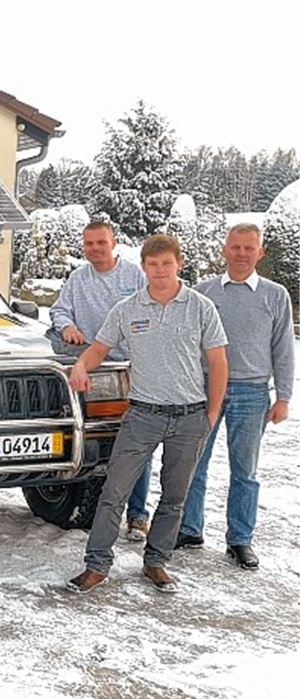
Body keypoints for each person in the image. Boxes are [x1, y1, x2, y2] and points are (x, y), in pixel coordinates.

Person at [66, 234, 228, 594]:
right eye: (152, 265)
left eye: (166, 264)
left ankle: (156, 563)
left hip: (189, 418)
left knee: (174, 497)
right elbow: (98, 348)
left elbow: (218, 363)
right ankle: (96, 566)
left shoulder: (201, 307)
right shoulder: (128, 308)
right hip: (142, 415)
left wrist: (211, 413)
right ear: (143, 267)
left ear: (179, 264)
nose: (159, 270)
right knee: (113, 492)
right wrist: (81, 366)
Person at [177, 224, 294, 569]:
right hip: (205, 389)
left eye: (249, 248)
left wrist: (284, 397)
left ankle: (240, 539)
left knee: (245, 471)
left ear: (260, 253)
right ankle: (189, 528)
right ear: (224, 250)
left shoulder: (275, 296)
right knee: (194, 464)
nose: (242, 253)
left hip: (252, 393)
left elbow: (284, 349)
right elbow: (186, 343)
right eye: (236, 247)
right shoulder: (203, 293)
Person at [49, 221, 153, 542]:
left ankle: (137, 514)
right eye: (89, 243)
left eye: (100, 243)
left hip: (131, 371)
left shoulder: (134, 276)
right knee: (97, 443)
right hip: (91, 374)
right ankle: (98, 508)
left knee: (139, 445)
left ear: (114, 243)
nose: (95, 249)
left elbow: (149, 312)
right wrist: (67, 326)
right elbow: (59, 309)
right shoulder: (78, 278)